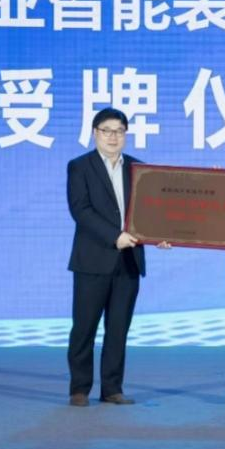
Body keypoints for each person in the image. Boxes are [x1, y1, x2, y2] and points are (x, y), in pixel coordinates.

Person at [66, 107, 144, 407]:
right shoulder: (79, 167)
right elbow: (80, 210)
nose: (113, 136)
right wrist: (115, 236)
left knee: (118, 329)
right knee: (84, 327)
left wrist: (161, 235)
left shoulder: (138, 168)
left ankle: (112, 388)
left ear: (126, 135)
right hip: (93, 260)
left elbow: (151, 212)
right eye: (107, 130)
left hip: (129, 261)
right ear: (94, 133)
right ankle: (79, 388)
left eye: (119, 131)